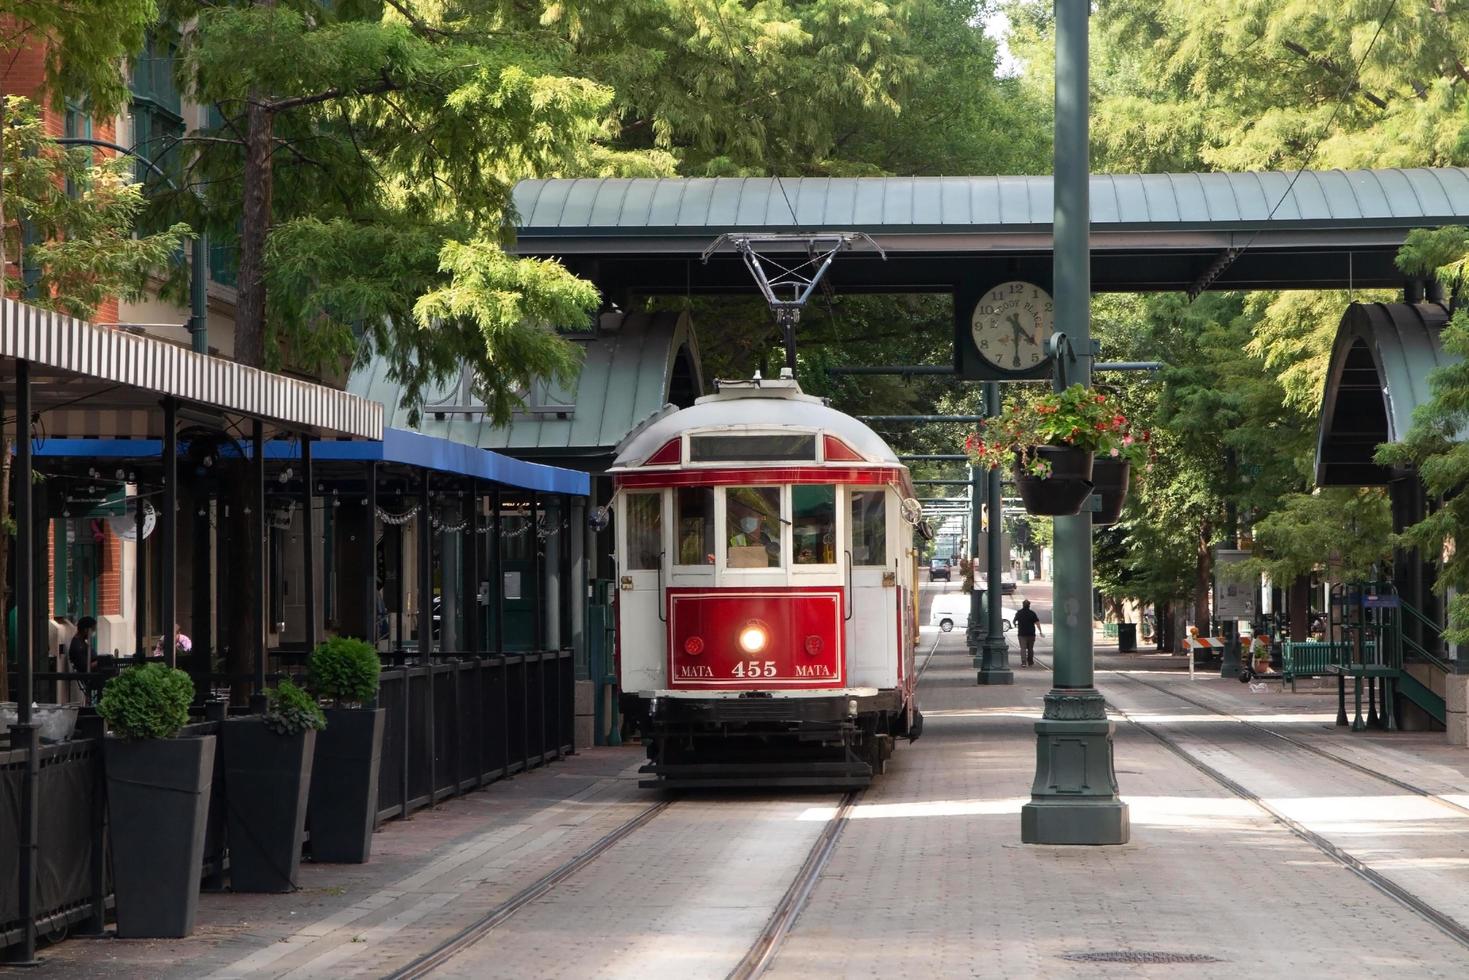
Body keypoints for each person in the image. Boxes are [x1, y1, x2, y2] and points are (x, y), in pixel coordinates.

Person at [1014, 600, 1042, 667]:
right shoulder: (1032, 613)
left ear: (1022, 605)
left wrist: (1016, 625)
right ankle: (1030, 662)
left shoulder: (1019, 613)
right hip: (1031, 633)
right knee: (1030, 648)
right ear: (1029, 605)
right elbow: (1037, 623)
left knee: (1023, 648)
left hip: (1022, 633)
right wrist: (1040, 631)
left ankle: (1023, 663)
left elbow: (1014, 621)